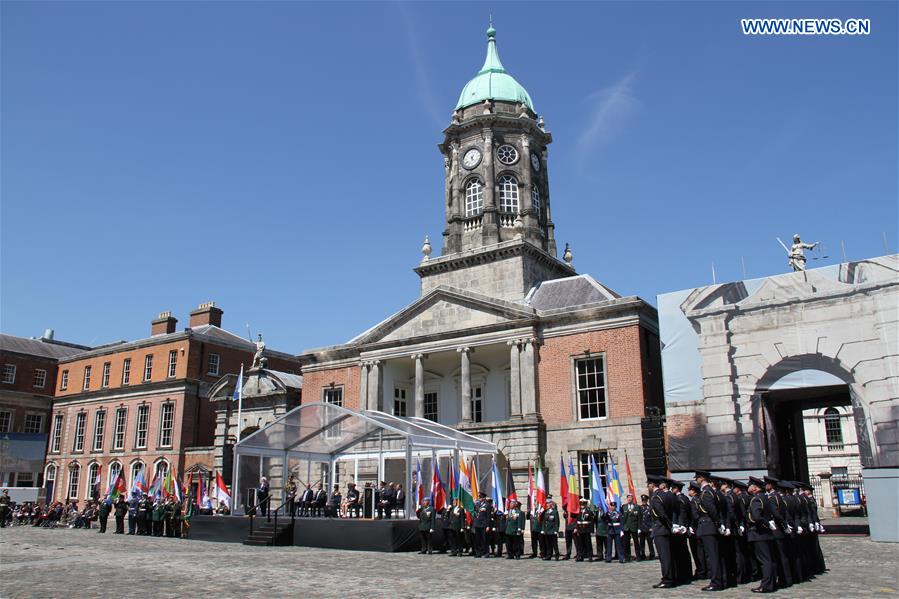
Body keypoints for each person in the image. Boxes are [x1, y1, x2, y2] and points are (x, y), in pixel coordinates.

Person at [695, 471, 725, 592]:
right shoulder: (709, 491)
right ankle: (718, 580)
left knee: (712, 556)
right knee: (713, 555)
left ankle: (716, 582)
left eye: (697, 478)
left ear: (702, 478)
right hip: (709, 525)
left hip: (708, 525)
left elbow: (712, 509)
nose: (696, 480)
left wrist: (717, 523)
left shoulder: (706, 492)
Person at [746, 477, 776, 593]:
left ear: (754, 487)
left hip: (758, 532)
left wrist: (766, 524)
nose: (748, 487)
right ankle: (771, 583)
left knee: (764, 560)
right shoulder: (765, 497)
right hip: (766, 533)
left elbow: (757, 516)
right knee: (769, 559)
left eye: (750, 485)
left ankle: (766, 585)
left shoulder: (756, 499)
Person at [649, 476, 677, 589]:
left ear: (652, 485)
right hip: (665, 529)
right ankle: (671, 576)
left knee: (664, 556)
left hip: (660, 528)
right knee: (668, 555)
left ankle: (667, 579)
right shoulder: (667, 495)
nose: (648, 487)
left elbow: (661, 513)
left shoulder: (656, 497)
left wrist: (669, 524)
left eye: (649, 484)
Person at [472, 493, 493, 558]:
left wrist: (488, 526)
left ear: (484, 498)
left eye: (481, 497)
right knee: (478, 539)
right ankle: (479, 552)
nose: (480, 499)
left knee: (485, 539)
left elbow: (488, 516)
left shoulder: (487, 505)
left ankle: (486, 552)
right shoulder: (477, 504)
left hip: (484, 524)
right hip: (477, 524)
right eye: (479, 497)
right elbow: (475, 513)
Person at [621, 493, 640, 561]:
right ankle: (627, 556)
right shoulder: (624, 507)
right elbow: (622, 518)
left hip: (634, 527)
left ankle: (638, 556)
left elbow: (639, 518)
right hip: (626, 527)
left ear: (633, 498)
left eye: (630, 497)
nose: (629, 499)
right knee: (626, 542)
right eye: (628, 497)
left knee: (636, 542)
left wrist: (639, 528)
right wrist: (622, 528)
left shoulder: (637, 507)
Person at [638, 494, 655, 560]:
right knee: (642, 543)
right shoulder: (640, 508)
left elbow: (652, 518)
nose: (644, 502)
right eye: (643, 501)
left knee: (650, 543)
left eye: (645, 501)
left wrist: (652, 527)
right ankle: (642, 554)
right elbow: (639, 518)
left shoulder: (650, 508)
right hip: (642, 528)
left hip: (648, 528)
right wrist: (639, 528)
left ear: (647, 500)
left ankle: (652, 554)